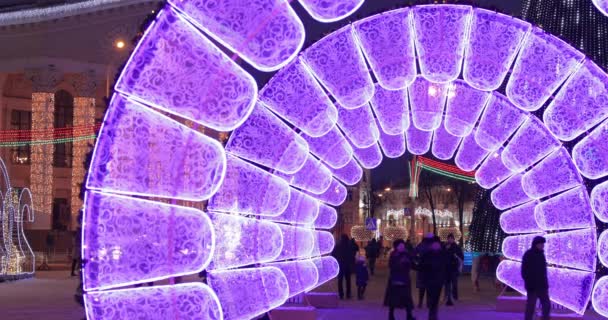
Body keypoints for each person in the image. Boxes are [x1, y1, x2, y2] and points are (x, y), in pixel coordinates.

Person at [384, 239, 416, 320]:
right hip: (395, 279)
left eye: (403, 245)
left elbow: (412, 264)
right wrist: (401, 263)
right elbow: (391, 266)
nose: (402, 247)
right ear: (396, 247)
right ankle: (391, 316)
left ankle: (409, 316)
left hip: (405, 279)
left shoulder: (407, 254)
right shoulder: (393, 254)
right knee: (393, 299)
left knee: (407, 298)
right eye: (400, 245)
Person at [521, 236, 550, 320]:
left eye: (543, 244)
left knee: (546, 305)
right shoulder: (528, 254)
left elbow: (543, 271)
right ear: (536, 244)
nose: (542, 246)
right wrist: (529, 282)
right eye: (541, 244)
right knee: (531, 306)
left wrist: (545, 283)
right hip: (532, 286)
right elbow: (524, 271)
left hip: (542, 286)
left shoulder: (542, 255)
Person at [420, 236, 447, 320]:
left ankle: (434, 312)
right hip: (429, 279)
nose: (435, 245)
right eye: (433, 244)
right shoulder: (427, 254)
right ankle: (432, 313)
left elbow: (445, 266)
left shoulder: (442, 254)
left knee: (436, 297)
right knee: (431, 296)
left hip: (438, 279)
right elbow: (422, 266)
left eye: (437, 244)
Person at [332, 234, 355, 299]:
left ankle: (341, 294)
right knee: (348, 280)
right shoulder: (349, 246)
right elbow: (352, 255)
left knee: (340, 280)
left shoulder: (338, 246)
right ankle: (348, 294)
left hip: (340, 265)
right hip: (347, 265)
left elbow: (333, 254)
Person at [443, 234, 463, 305]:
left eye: (451, 238)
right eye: (449, 238)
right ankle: (446, 296)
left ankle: (455, 296)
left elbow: (461, 257)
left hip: (454, 268)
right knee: (446, 283)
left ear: (453, 239)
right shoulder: (445, 246)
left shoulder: (457, 247)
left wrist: (459, 266)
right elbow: (442, 255)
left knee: (454, 283)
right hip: (446, 268)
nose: (450, 240)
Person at [415, 233, 433, 308]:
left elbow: (413, 253)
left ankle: (420, 302)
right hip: (430, 269)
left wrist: (417, 261)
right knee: (429, 288)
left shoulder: (420, 245)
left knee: (422, 288)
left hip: (421, 268)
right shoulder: (431, 246)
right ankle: (428, 303)